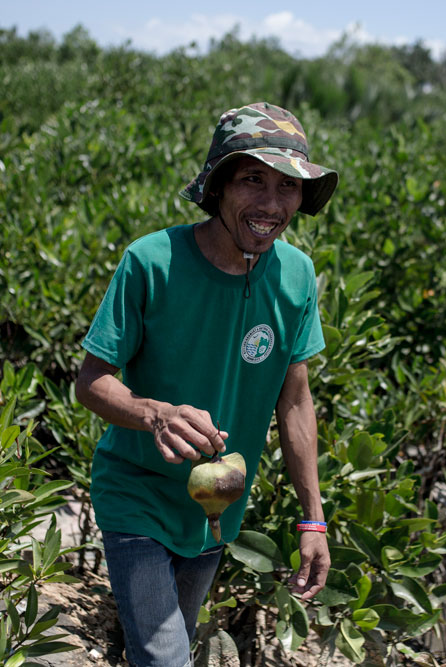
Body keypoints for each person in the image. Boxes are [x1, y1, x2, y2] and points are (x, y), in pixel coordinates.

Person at [74, 102, 338, 666]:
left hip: (218, 507)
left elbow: (295, 402)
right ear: (217, 187)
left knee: (164, 643)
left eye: (288, 186)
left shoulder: (295, 277)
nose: (271, 204)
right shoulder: (152, 261)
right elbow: (92, 381)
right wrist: (155, 415)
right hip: (137, 495)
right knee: (167, 660)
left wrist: (312, 518)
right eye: (252, 180)